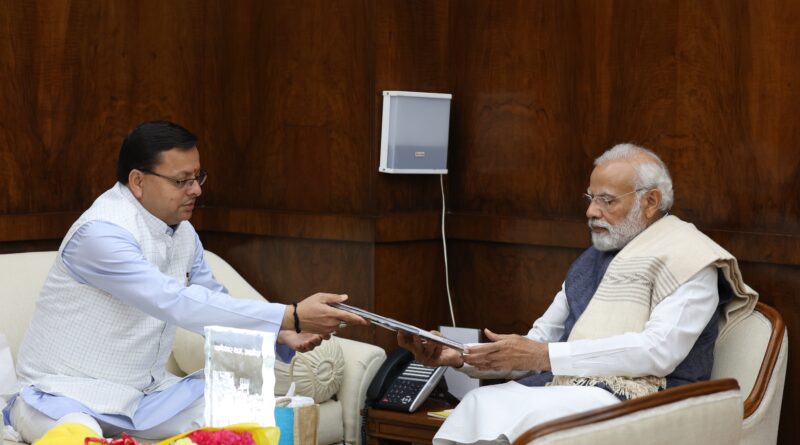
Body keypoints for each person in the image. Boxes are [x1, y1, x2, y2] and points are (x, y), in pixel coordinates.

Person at [3, 121, 368, 442]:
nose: (196, 190)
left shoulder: (183, 232)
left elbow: (212, 301)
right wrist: (290, 315)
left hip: (144, 398)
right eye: (182, 181)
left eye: (197, 178)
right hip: (63, 395)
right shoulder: (100, 234)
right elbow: (175, 302)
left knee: (238, 411)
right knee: (78, 433)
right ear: (138, 181)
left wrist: (279, 333)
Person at [399, 143, 757, 445]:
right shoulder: (594, 259)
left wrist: (544, 356)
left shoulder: (692, 259)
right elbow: (539, 343)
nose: (591, 211)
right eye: (591, 198)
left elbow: (658, 353)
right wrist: (459, 357)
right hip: (570, 388)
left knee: (539, 420)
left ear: (650, 201)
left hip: (648, 402)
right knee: (480, 402)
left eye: (606, 201)